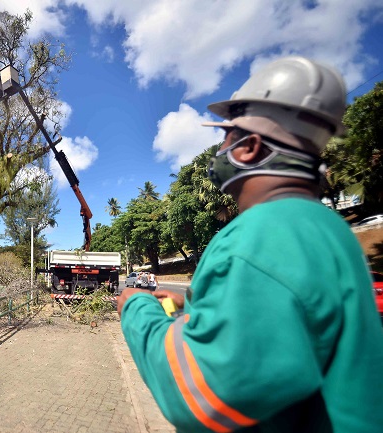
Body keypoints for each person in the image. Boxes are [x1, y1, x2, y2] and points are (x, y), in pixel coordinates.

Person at [117, 56, 383, 432]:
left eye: (226, 137)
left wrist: (137, 308)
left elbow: (201, 395)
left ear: (249, 148)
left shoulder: (266, 232)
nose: (219, 151)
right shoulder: (324, 227)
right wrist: (192, 304)